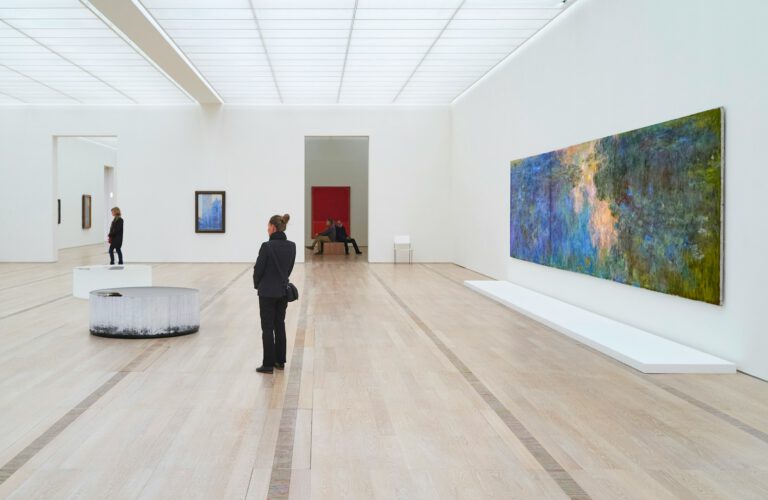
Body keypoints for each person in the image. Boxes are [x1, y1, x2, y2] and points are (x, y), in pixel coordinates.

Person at [253, 214, 296, 374]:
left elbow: (259, 270)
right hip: (282, 291)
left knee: (267, 327)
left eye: (268, 226)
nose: (267, 229)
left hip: (266, 293)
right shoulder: (292, 246)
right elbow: (288, 269)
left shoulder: (267, 246)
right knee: (280, 325)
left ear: (273, 227)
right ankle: (280, 361)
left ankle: (268, 364)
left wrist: (258, 284)